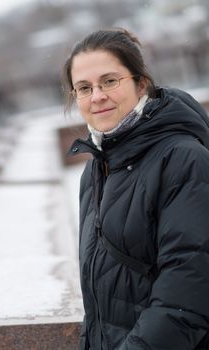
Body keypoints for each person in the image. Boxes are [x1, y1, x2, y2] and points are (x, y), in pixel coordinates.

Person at [61, 28, 209, 350]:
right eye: (84, 88)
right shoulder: (97, 169)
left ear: (141, 83)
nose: (97, 96)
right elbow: (99, 301)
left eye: (109, 81)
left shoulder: (184, 160)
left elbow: (185, 296)